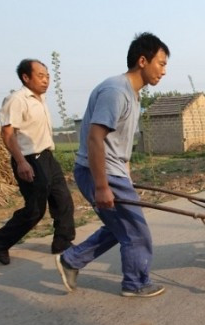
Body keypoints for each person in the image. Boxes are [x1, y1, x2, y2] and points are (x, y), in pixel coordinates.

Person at [55, 32, 169, 298]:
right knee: (137, 232)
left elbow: (119, 147)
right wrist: (102, 186)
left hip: (112, 172)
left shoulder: (132, 95)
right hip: (100, 172)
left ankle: (71, 260)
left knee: (121, 227)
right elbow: (95, 139)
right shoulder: (116, 91)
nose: (164, 71)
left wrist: (125, 179)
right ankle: (136, 283)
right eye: (161, 63)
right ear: (143, 60)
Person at [0, 59, 75, 265]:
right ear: (25, 77)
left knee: (63, 200)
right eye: (40, 75)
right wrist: (21, 162)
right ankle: (0, 241)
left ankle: (62, 242)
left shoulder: (40, 99)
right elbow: (8, 133)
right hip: (29, 160)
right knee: (35, 210)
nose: (46, 80)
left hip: (47, 157)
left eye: (47, 76)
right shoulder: (17, 99)